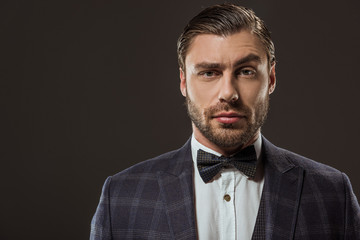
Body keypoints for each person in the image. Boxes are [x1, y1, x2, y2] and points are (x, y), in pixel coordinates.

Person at [90, 4, 360, 240]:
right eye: (209, 72)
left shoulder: (332, 193)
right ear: (183, 81)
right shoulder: (121, 197)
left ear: (272, 79)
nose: (228, 92)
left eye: (246, 71)